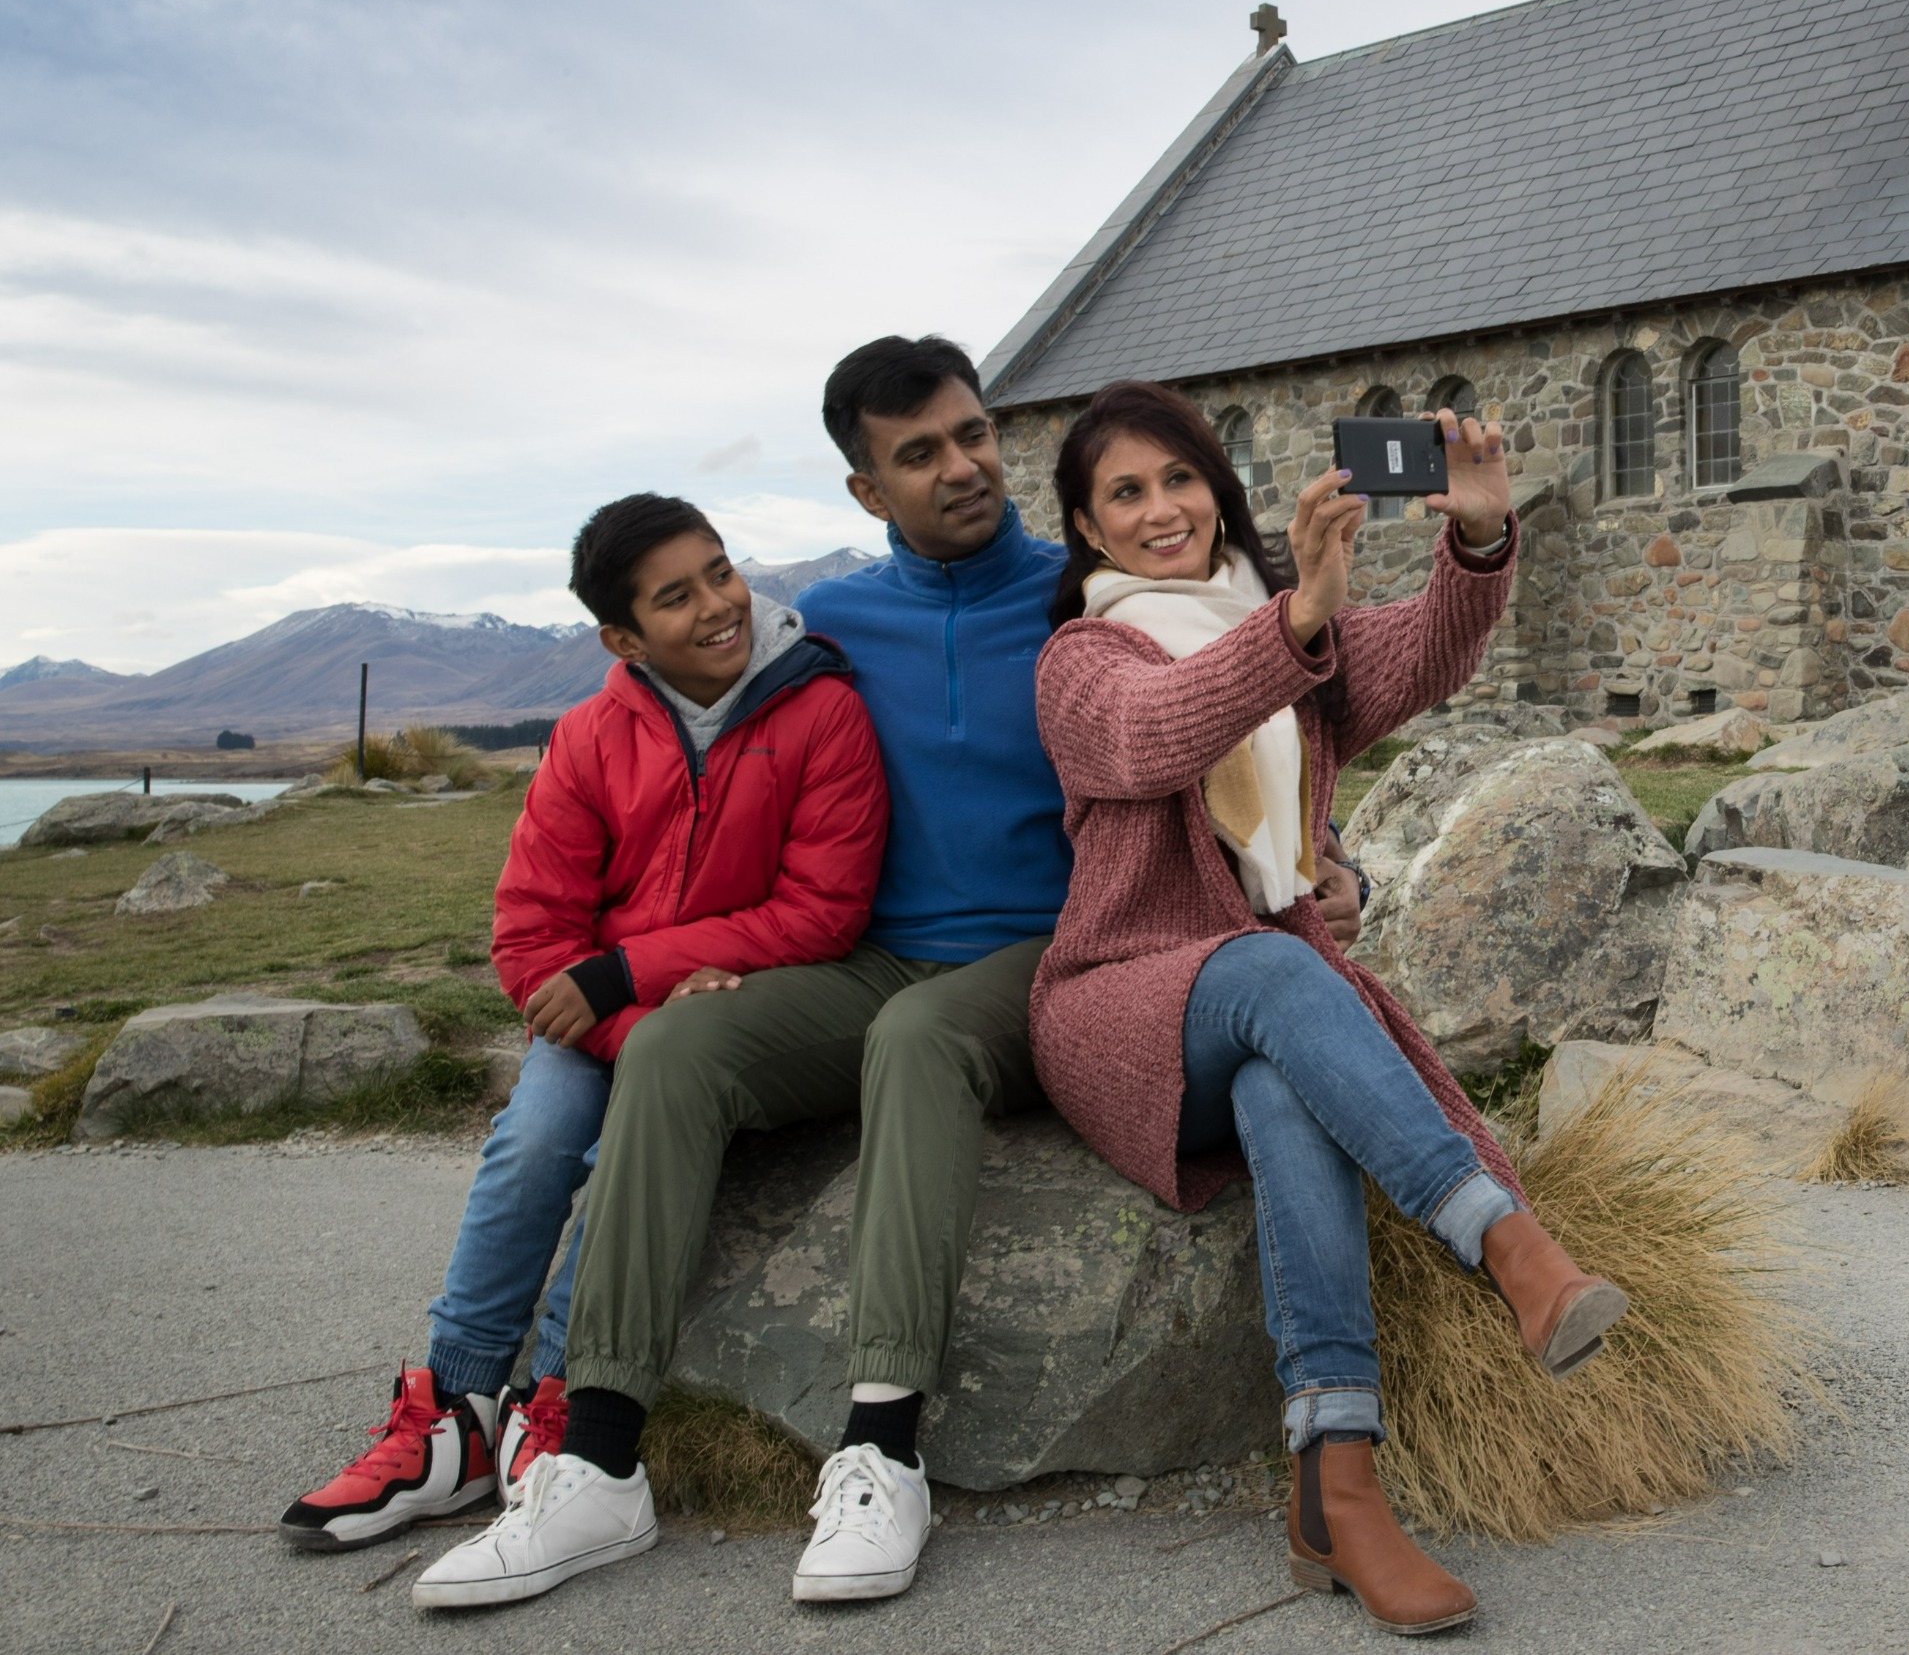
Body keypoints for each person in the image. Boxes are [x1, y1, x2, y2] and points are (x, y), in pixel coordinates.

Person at [413, 337, 1367, 1610]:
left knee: (922, 1033)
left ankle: (883, 1448)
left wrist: (1328, 850)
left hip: (1063, 959)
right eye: (918, 453)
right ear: (867, 490)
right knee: (677, 1048)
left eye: (973, 435)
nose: (962, 465)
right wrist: (668, 963)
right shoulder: (834, 625)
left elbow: (1239, 719)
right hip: (867, 957)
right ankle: (595, 1455)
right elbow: (666, 721)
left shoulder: (1084, 592)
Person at [1031, 382, 1623, 1637]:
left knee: (1277, 1081)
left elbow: (1418, 658)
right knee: (1270, 969)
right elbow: (1157, 737)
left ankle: (1336, 1482)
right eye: (1124, 494)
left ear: (1216, 487)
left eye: (1178, 479)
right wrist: (1302, 611)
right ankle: (1503, 1243)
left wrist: (1472, 541)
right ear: (1085, 528)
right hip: (1119, 1009)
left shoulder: (1270, 622)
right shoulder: (1083, 662)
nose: (1160, 509)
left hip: (1256, 1010)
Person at [283, 494, 885, 1554]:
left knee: (623, 1158)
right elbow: (528, 936)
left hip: (713, 1008)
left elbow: (823, 909)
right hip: (612, 1022)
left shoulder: (821, 708)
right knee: (531, 1144)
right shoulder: (592, 736)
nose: (717, 604)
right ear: (622, 636)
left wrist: (625, 974)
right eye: (675, 595)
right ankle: (456, 1410)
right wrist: (620, 1016)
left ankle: (558, 1388)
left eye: (719, 571)